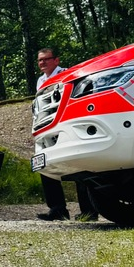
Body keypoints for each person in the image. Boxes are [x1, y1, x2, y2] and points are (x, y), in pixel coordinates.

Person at [34, 47, 99, 221]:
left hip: (66, 122)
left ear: (56, 60)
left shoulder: (67, 74)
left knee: (77, 162)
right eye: (40, 60)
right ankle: (57, 208)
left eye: (46, 59)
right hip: (47, 124)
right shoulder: (40, 80)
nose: (42, 63)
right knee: (45, 163)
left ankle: (89, 209)